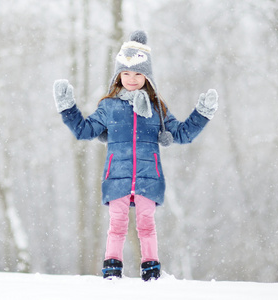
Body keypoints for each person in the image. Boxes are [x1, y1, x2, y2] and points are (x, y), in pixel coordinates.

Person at [52, 30, 218, 281]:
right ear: (118, 74)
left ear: (147, 76)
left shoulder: (156, 108)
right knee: (117, 225)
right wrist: (68, 109)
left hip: (148, 177)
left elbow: (182, 134)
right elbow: (84, 130)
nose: (131, 79)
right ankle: (112, 269)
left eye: (138, 73)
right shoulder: (109, 106)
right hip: (116, 175)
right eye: (126, 73)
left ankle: (151, 268)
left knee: (146, 225)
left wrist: (201, 114)